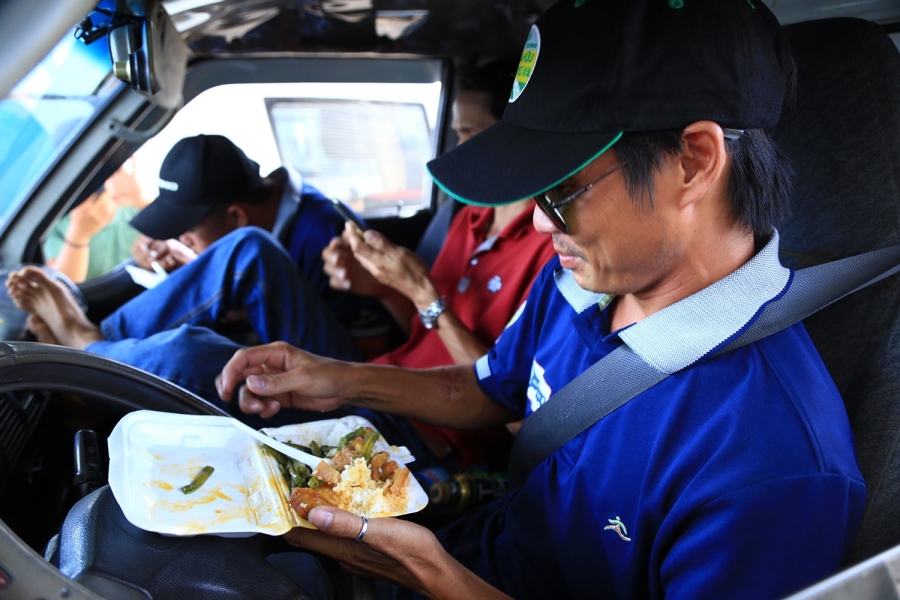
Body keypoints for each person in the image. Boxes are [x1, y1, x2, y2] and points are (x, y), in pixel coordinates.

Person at [214, 1, 867, 598]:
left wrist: (433, 577)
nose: (539, 224)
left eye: (561, 191)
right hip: (471, 546)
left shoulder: (775, 468)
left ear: (693, 162)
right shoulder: (581, 283)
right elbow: (490, 387)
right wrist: (340, 379)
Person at [7, 134, 393, 398]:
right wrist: (201, 273)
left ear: (236, 214)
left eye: (187, 231)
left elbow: (370, 354)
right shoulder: (267, 214)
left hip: (345, 385)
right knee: (244, 256)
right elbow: (286, 310)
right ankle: (90, 347)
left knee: (194, 348)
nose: (181, 240)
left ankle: (85, 348)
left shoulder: (322, 234)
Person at [321, 57, 554, 466]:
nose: (460, 146)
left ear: (515, 133)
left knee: (251, 256)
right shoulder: (469, 217)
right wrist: (379, 287)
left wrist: (423, 293)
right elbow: (421, 334)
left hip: (432, 431)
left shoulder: (548, 247)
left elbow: (507, 395)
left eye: (471, 131)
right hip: (383, 382)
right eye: (457, 131)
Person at [43, 158, 148, 283]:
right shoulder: (56, 227)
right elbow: (63, 286)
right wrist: (78, 235)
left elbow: (171, 233)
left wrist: (139, 199)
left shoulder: (133, 205)